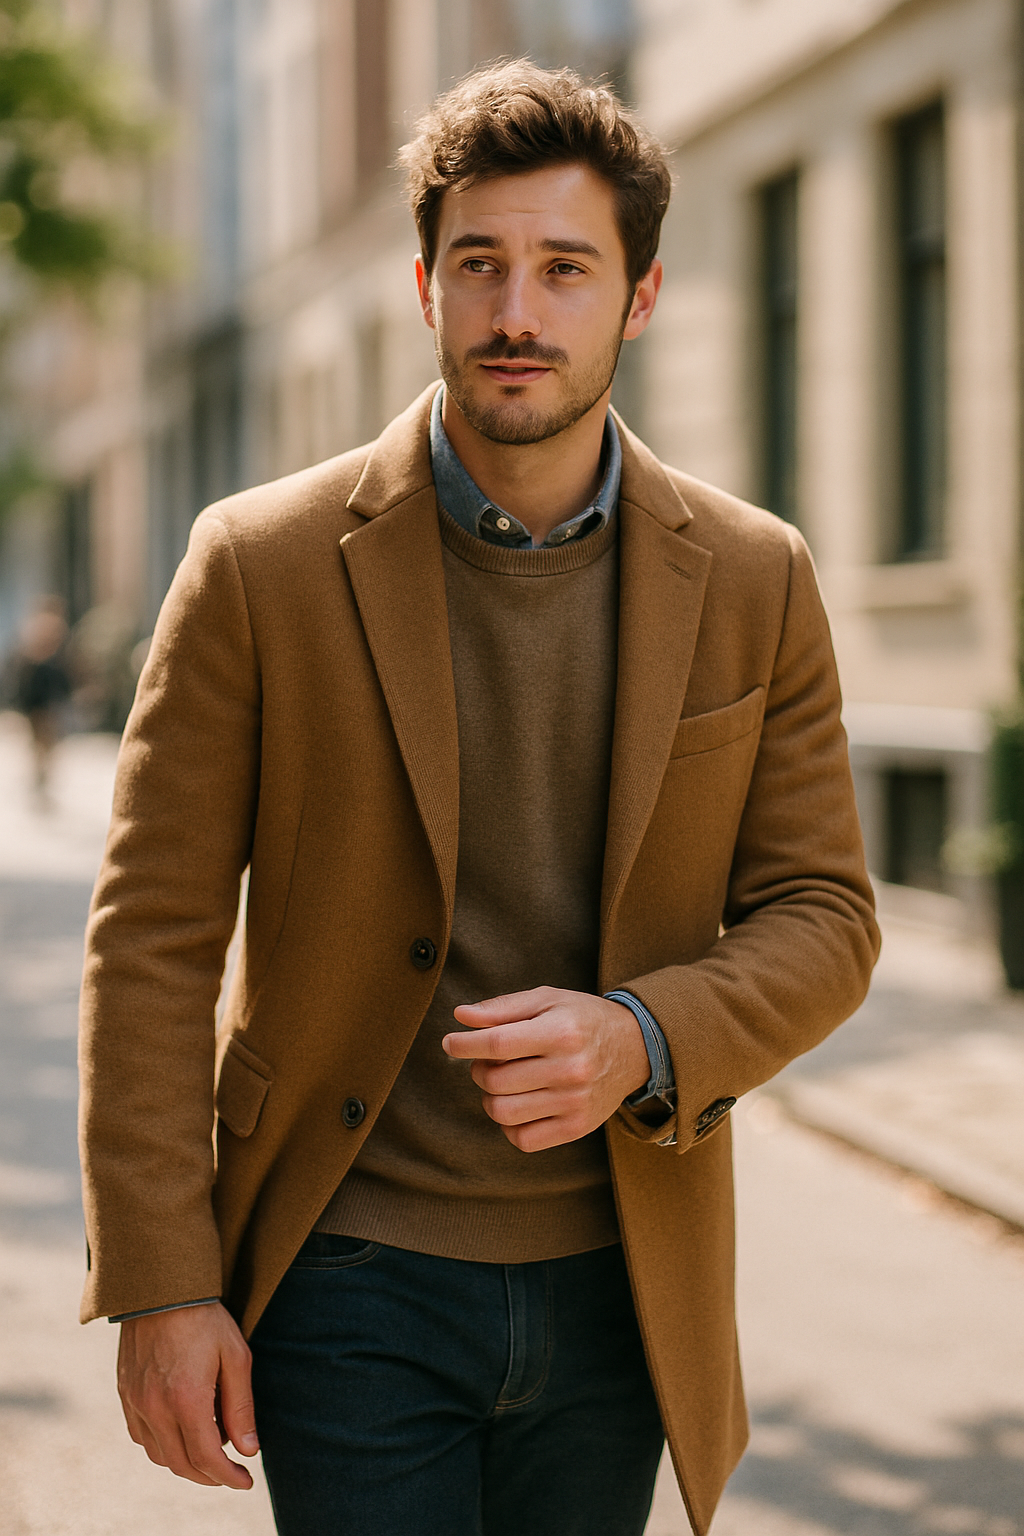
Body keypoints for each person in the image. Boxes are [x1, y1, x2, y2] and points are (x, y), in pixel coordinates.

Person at [78, 62, 880, 1536]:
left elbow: (827, 914)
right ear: (428, 286)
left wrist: (644, 1033)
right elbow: (153, 936)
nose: (520, 312)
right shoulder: (257, 563)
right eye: (481, 266)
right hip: (346, 1276)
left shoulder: (758, 577)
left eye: (567, 270)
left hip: (623, 1277)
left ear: (638, 298)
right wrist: (162, 1280)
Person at [10, 595, 71, 808]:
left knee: (44, 740)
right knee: (43, 739)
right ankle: (40, 776)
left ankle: (41, 777)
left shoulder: (38, 628)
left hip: (42, 694)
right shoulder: (47, 628)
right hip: (40, 694)